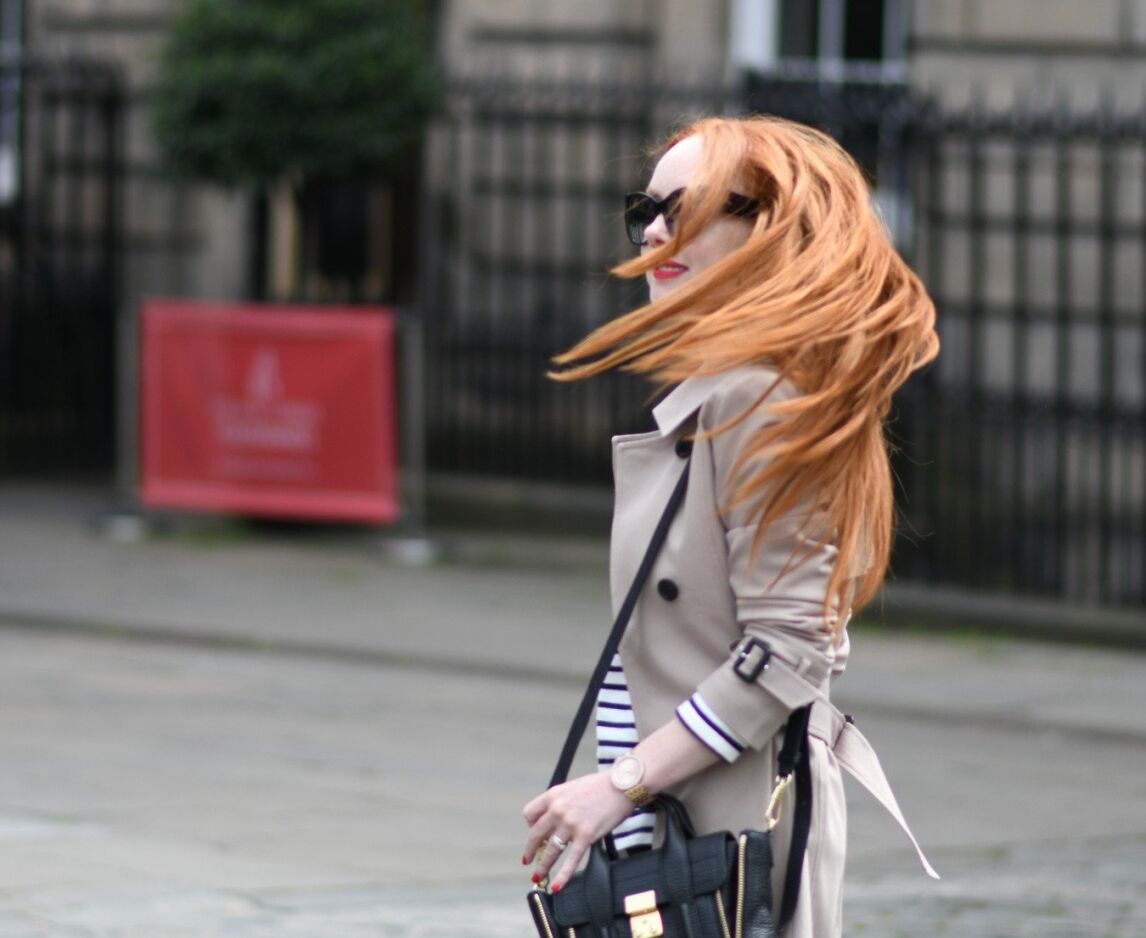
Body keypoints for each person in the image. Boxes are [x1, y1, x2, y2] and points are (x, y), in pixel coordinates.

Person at [521, 115, 940, 937]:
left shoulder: (760, 398)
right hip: (677, 826)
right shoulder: (723, 397)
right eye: (647, 206)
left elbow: (791, 649)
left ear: (771, 228)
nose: (654, 229)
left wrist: (623, 783)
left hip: (733, 825)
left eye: (691, 206)